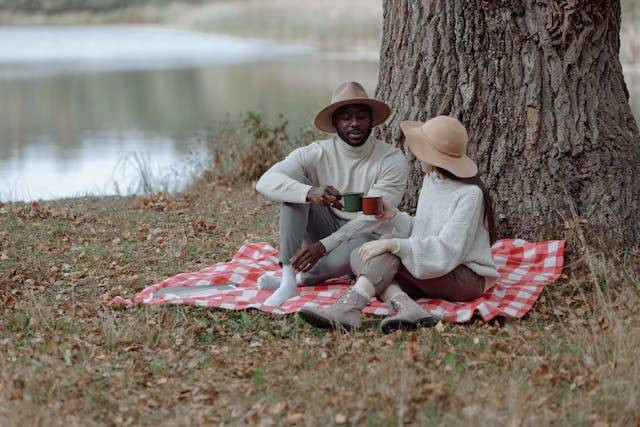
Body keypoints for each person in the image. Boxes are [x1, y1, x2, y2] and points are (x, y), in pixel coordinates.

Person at [298, 116, 500, 332]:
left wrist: (393, 245)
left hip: (463, 277)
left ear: (435, 156)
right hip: (432, 270)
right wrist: (393, 216)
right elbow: (423, 229)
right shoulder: (432, 180)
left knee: (382, 252)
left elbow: (446, 251)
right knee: (360, 256)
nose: (416, 152)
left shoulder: (470, 194)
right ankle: (409, 309)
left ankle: (348, 308)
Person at [255, 81, 409, 307]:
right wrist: (309, 191)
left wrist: (324, 246)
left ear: (371, 120)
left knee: (365, 244)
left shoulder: (391, 160)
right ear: (335, 122)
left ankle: (300, 279)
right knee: (295, 188)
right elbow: (265, 181)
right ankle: (287, 279)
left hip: (365, 234)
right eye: (346, 117)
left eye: (361, 116)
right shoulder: (316, 153)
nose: (354, 123)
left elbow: (372, 218)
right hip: (324, 227)